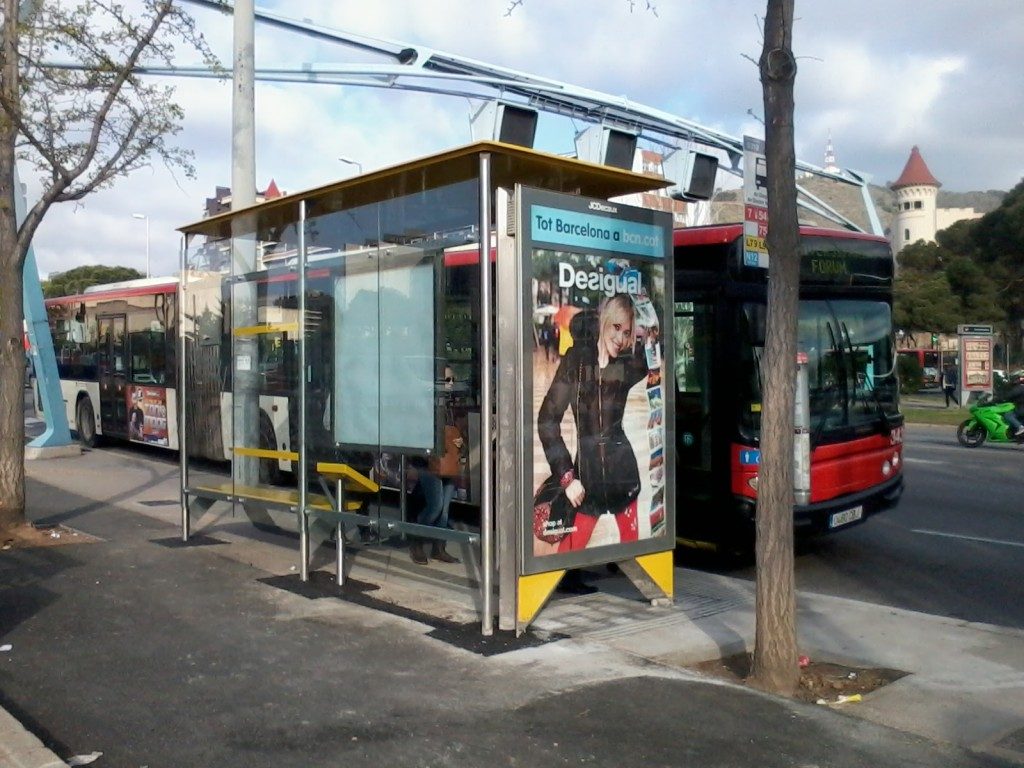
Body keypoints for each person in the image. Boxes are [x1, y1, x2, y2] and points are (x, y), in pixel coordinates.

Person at [535, 294, 652, 554]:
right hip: (586, 481)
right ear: (605, 322)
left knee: (633, 550)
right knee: (569, 551)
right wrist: (567, 477)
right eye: (617, 328)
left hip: (624, 476)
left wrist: (647, 325)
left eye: (628, 333)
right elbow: (547, 420)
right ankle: (568, 581)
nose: (621, 339)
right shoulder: (575, 362)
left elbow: (652, 356)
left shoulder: (626, 363)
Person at [408, 366, 464, 565]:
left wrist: (458, 442)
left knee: (445, 510)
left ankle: (439, 547)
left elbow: (456, 431)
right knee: (435, 506)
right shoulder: (425, 404)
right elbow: (417, 432)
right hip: (429, 461)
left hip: (447, 461)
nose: (449, 384)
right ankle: (417, 541)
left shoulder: (450, 404)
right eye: (446, 380)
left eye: (451, 380)